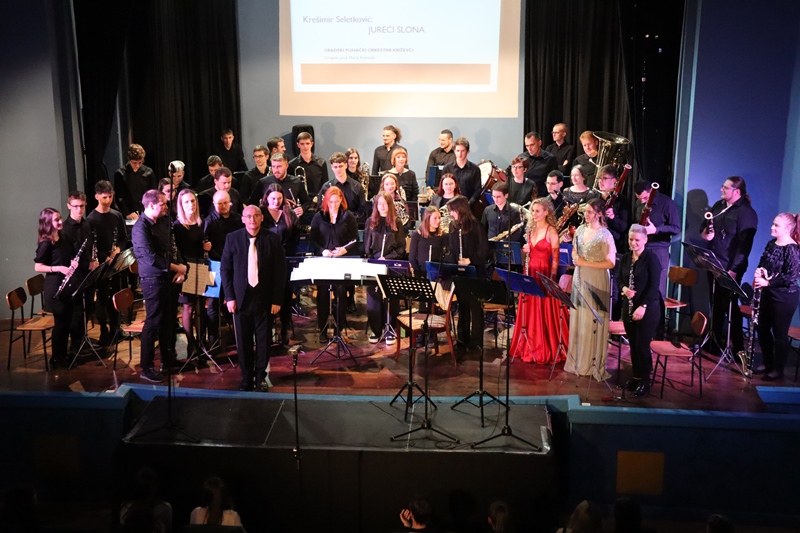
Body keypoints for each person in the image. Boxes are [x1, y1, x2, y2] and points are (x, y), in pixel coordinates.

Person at [221, 205, 286, 391]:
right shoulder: (232, 238)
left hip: (264, 299)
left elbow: (280, 272)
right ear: (242, 219)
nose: (252, 219)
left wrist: (277, 299)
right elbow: (225, 270)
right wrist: (229, 297)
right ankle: (246, 377)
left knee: (264, 341)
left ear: (262, 218)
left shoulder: (272, 239)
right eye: (248, 216)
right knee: (243, 342)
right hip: (240, 299)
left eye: (256, 215)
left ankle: (261, 377)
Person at [132, 190, 188, 382]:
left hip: (170, 278)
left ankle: (168, 359)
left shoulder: (164, 221)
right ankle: (146, 367)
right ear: (150, 205)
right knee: (153, 322)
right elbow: (151, 258)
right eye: (162, 204)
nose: (166, 206)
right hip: (153, 281)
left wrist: (181, 269)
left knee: (169, 320)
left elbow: (172, 249)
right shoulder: (140, 228)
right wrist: (178, 267)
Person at [700, 176, 758, 356]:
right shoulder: (719, 206)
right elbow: (704, 230)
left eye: (725, 188)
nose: (721, 190)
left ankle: (738, 348)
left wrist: (734, 269)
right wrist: (706, 234)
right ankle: (715, 343)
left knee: (729, 306)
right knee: (715, 303)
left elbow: (745, 245)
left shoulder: (746, 213)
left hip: (730, 266)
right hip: (713, 262)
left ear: (737, 191)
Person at [509, 197, 569, 364]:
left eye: (537, 211)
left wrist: (551, 280)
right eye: (533, 211)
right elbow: (526, 255)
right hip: (529, 272)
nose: (533, 214)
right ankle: (528, 344)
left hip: (544, 274)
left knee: (544, 309)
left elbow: (556, 259)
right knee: (529, 307)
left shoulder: (551, 231)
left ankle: (543, 346)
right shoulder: (530, 229)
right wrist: (524, 251)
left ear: (546, 212)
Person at [564, 197, 617, 380]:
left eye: (589, 212)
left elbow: (611, 262)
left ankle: (591, 363)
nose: (585, 214)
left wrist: (584, 262)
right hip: (580, 277)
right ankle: (579, 362)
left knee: (592, 319)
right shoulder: (580, 230)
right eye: (585, 211)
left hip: (597, 279)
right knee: (579, 317)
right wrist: (575, 258)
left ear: (599, 214)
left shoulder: (605, 235)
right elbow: (575, 249)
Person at [752, 212, 800, 381]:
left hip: (784, 297)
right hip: (768, 293)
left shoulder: (792, 249)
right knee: (762, 328)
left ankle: (778, 369)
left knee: (780, 333)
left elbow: (791, 277)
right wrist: (759, 273)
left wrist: (768, 282)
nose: (772, 227)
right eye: (773, 224)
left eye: (776, 225)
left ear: (787, 229)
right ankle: (768, 363)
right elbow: (763, 263)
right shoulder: (772, 244)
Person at [309, 187, 359, 343]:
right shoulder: (319, 217)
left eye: (337, 201)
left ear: (341, 200)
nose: (334, 205)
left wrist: (344, 250)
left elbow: (355, 239)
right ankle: (323, 329)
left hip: (341, 260)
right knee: (323, 294)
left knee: (341, 293)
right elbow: (313, 239)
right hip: (324, 260)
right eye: (331, 202)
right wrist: (323, 251)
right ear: (326, 201)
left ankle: (339, 329)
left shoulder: (348, 216)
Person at [619, 224, 664, 397]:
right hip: (629, 306)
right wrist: (624, 289)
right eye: (631, 239)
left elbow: (654, 287)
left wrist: (643, 306)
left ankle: (645, 381)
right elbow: (619, 279)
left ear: (645, 240)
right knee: (633, 344)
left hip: (648, 308)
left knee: (642, 346)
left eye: (637, 240)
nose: (633, 243)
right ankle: (636, 377)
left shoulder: (651, 259)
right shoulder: (625, 258)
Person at [34, 208, 81, 369]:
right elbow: (38, 267)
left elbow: (69, 255)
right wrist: (59, 268)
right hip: (55, 287)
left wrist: (73, 261)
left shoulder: (63, 237)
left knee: (66, 323)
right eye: (56, 220)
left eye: (60, 218)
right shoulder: (46, 243)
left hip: (66, 286)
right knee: (60, 324)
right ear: (47, 223)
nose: (60, 222)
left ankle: (64, 354)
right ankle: (56, 358)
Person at [445, 195, 490, 351]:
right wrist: (454, 261)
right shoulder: (453, 226)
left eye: (453, 210)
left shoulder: (475, 225)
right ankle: (462, 338)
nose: (451, 214)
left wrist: (470, 260)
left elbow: (483, 249)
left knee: (475, 307)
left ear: (461, 209)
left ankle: (476, 341)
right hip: (459, 272)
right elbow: (450, 248)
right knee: (462, 305)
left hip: (475, 272)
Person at [87, 180, 127, 346]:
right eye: (104, 197)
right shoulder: (91, 219)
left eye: (110, 197)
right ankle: (104, 330)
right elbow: (92, 245)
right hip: (101, 265)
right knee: (102, 297)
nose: (108, 200)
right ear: (97, 196)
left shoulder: (116, 215)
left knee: (115, 295)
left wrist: (117, 250)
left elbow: (124, 238)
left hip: (115, 262)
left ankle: (116, 329)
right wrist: (105, 258)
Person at [364, 192, 407, 344]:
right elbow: (367, 247)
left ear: (390, 205)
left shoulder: (397, 222)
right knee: (373, 298)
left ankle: (390, 330)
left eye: (385, 204)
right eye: (379, 204)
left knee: (392, 297)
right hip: (375, 263)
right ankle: (376, 330)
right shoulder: (370, 222)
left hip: (391, 263)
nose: (382, 206)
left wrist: (387, 258)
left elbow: (401, 247)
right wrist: (375, 259)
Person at [260, 183, 300, 345]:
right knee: (267, 295)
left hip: (285, 261)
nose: (276, 202)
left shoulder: (289, 214)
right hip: (265, 261)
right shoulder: (261, 214)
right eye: (273, 198)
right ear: (267, 198)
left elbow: (295, 237)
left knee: (285, 295)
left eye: (279, 198)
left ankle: (285, 329)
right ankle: (266, 332)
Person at [173, 189, 211, 359]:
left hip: (200, 266)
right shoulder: (178, 226)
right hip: (186, 268)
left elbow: (200, 245)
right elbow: (177, 251)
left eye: (193, 201)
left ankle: (201, 341)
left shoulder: (199, 222)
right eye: (186, 202)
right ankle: (191, 344)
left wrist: (206, 246)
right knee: (188, 307)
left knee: (200, 306)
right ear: (181, 205)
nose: (190, 204)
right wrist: (182, 271)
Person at [204, 190, 244, 347]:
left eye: (225, 203)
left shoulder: (238, 219)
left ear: (231, 203)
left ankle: (238, 336)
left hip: (235, 266)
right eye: (219, 203)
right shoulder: (209, 222)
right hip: (215, 266)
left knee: (236, 300)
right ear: (214, 205)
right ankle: (213, 339)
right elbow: (206, 246)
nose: (223, 206)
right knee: (213, 304)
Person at [61, 191, 98, 355]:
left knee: (87, 308)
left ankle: (83, 340)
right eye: (75, 206)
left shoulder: (87, 225)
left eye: (82, 206)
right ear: (69, 206)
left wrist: (93, 261)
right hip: (74, 277)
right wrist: (86, 264)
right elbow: (66, 256)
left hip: (87, 275)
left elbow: (88, 249)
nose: (79, 210)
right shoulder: (64, 229)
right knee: (77, 311)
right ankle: (76, 346)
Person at [633, 180, 681, 298]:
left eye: (645, 198)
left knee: (657, 290)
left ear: (651, 191)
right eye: (639, 199)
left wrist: (656, 230)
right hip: (641, 249)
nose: (642, 202)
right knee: (639, 288)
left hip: (658, 250)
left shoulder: (667, 203)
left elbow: (676, 228)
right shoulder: (639, 203)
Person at [251, 152, 311, 218]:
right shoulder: (263, 182)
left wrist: (302, 209)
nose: (276, 170)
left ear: (286, 166)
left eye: (279, 166)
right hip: (269, 221)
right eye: (273, 166)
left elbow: (307, 202)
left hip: (290, 219)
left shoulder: (296, 182)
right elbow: (252, 202)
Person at [114, 144, 157, 220]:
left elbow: (152, 194)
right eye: (134, 163)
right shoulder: (120, 174)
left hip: (146, 212)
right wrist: (127, 213)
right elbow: (119, 197)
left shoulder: (149, 172)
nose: (137, 165)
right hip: (129, 215)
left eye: (140, 162)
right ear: (129, 160)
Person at [318, 152, 365, 220]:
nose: (338, 169)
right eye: (335, 167)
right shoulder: (326, 187)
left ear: (346, 165)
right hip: (332, 223)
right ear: (332, 167)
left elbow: (362, 210)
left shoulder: (357, 186)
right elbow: (321, 209)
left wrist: (348, 218)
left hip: (352, 223)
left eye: (340, 166)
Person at [597, 166, 632, 254]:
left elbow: (624, 228)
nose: (600, 181)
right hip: (596, 244)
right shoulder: (595, 199)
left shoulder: (622, 201)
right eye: (599, 178)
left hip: (614, 247)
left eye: (604, 178)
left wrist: (613, 217)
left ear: (614, 181)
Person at [442, 137, 482, 206]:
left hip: (469, 206)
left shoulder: (475, 169)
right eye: (457, 151)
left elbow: (477, 190)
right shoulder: (447, 168)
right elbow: (442, 187)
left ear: (468, 152)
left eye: (463, 151)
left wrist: (468, 204)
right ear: (454, 151)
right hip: (451, 205)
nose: (460, 154)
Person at [289, 131, 329, 199]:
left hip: (318, 200)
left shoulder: (321, 162)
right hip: (301, 201)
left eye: (307, 143)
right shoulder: (292, 164)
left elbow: (325, 184)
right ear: (298, 145)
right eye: (302, 144)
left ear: (312, 144)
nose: (305, 146)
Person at [409, 206, 447, 278]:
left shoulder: (442, 235)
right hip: (421, 274)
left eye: (439, 218)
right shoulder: (417, 234)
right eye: (435, 218)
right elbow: (412, 257)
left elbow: (446, 256)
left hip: (437, 274)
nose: (438, 221)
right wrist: (419, 275)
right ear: (427, 219)